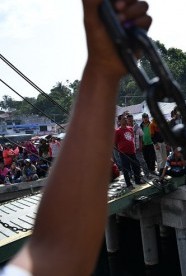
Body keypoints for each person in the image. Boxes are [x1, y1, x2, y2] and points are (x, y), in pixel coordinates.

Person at [0, 1, 151, 274]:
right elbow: (58, 251)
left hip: (122, 152)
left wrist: (103, 69)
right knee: (128, 170)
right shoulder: (119, 130)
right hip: (120, 155)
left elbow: (58, 252)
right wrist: (103, 71)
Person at [115, 114, 142, 188]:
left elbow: (131, 138)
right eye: (123, 119)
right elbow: (115, 142)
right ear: (119, 121)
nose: (125, 120)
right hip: (123, 153)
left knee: (136, 166)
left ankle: (138, 180)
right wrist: (119, 151)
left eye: (125, 118)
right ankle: (129, 184)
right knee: (126, 169)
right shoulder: (117, 131)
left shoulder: (130, 128)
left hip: (132, 152)